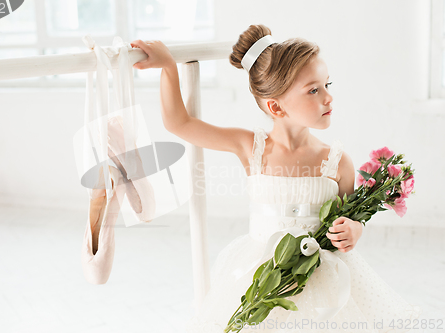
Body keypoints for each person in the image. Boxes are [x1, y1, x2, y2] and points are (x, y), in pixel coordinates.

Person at [130, 24, 422, 332]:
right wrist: (167, 67)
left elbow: (347, 219)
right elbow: (180, 123)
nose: (328, 97)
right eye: (314, 90)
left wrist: (354, 229)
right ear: (275, 106)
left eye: (327, 84)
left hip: (322, 278)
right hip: (261, 271)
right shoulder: (251, 147)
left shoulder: (337, 162)